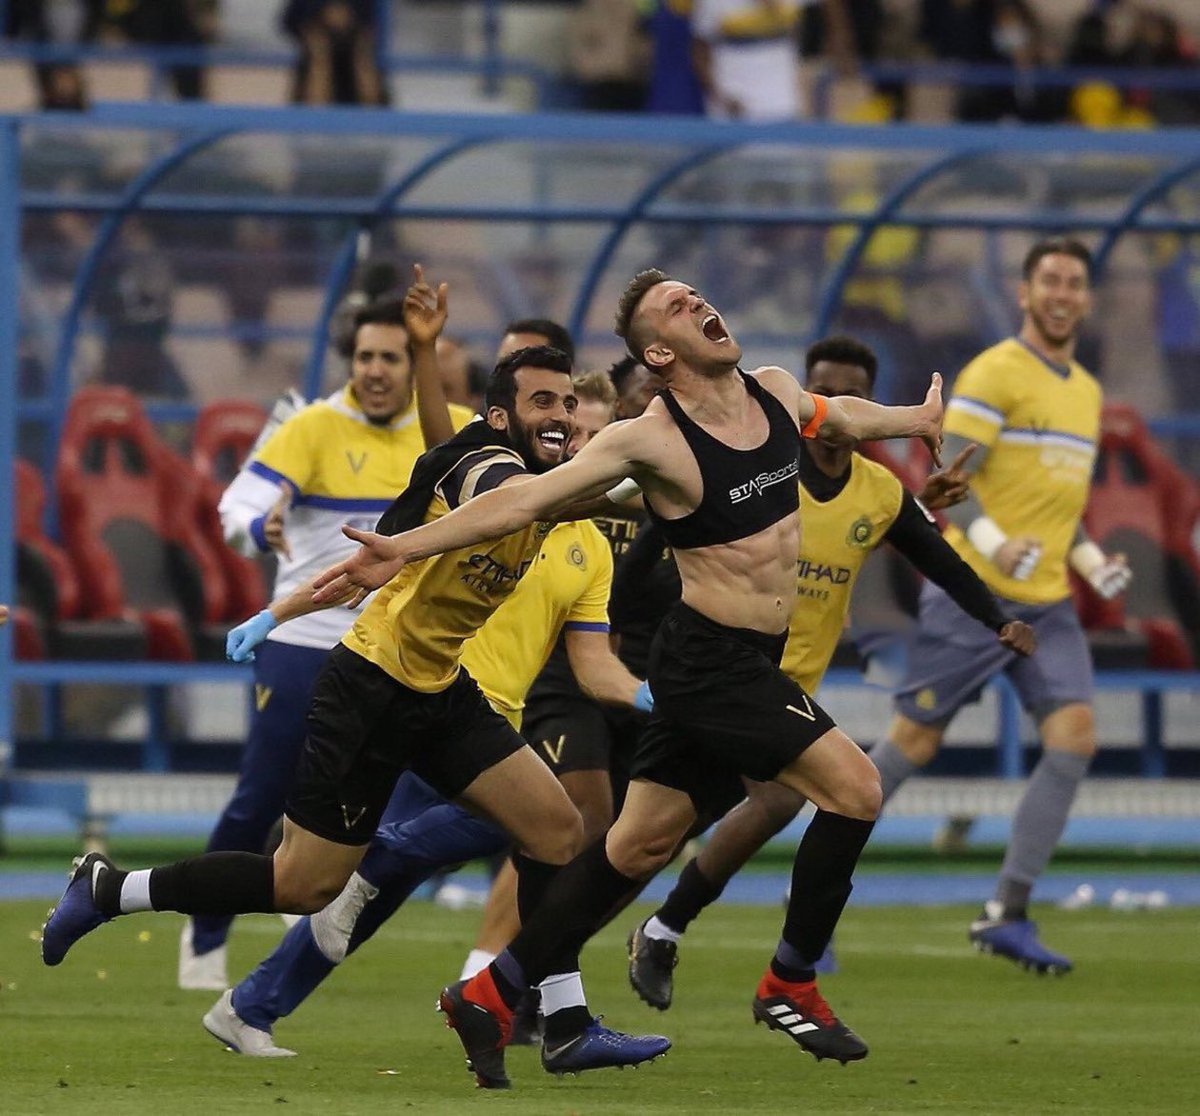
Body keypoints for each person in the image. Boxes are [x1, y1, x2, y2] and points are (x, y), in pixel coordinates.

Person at [309, 269, 944, 1085]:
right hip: (709, 663)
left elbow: (839, 417)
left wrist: (913, 419)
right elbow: (522, 502)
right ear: (659, 353)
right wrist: (403, 546)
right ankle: (791, 980)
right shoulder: (649, 439)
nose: (700, 302)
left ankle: (491, 994)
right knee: (855, 789)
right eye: (677, 306)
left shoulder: (776, 390)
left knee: (636, 845)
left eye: (697, 294)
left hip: (749, 659)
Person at [43, 342, 675, 1077]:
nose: (561, 416)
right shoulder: (485, 464)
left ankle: (563, 1022)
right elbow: (504, 499)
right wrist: (276, 616)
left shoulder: (547, 491)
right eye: (543, 403)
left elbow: (603, 498)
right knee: (302, 884)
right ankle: (112, 890)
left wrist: (690, 468)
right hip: (371, 687)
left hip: (440, 690)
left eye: (567, 403)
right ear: (501, 416)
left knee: (558, 830)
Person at [202, 371, 652, 1060]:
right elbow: (416, 501)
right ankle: (503, 989)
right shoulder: (489, 496)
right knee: (454, 846)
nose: (577, 442)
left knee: (390, 882)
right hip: (420, 702)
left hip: (485, 722)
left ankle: (251, 1005)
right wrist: (275, 614)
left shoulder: (586, 548)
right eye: (573, 429)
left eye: (593, 434)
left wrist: (647, 695)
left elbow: (593, 662)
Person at [625, 334, 1036, 1010]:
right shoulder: (760, 469)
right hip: (719, 674)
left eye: (849, 391)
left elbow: (937, 557)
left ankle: (598, 949)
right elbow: (656, 544)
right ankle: (674, 940)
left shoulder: (878, 494)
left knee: (664, 833)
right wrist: (620, 628)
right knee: (738, 812)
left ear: (864, 404)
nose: (830, 406)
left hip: (784, 691)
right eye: (822, 388)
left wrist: (997, 619)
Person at [177, 269, 474, 989]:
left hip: (392, 650)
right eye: (364, 357)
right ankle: (203, 936)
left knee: (377, 801)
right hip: (302, 643)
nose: (375, 370)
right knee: (262, 796)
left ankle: (312, 912)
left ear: (415, 363)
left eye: (391, 357)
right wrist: (260, 525)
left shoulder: (450, 430)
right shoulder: (311, 425)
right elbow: (238, 503)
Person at [870, 237, 1131, 975]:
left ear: (1086, 298)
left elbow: (1061, 508)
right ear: (1024, 292)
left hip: (1048, 603)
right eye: (1050, 280)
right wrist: (992, 540)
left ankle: (1007, 912)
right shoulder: (994, 372)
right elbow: (951, 479)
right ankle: (812, 897)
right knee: (912, 743)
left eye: (1074, 283)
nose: (1062, 293)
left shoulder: (1085, 391)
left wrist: (1092, 563)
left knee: (1074, 739)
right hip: (974, 595)